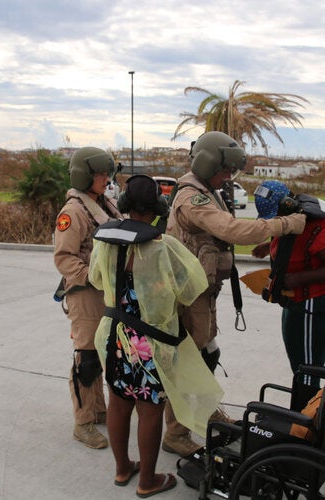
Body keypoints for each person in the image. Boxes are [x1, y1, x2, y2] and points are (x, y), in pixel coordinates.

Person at [163, 131, 307, 456]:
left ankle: (207, 410)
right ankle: (175, 433)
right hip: (188, 297)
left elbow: (225, 230)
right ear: (209, 162)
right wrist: (284, 224)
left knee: (206, 356)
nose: (229, 177)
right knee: (188, 363)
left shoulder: (207, 190)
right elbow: (230, 229)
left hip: (203, 291)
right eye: (226, 169)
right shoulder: (192, 196)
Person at [89, 174, 223, 497]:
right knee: (150, 409)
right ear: (158, 207)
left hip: (113, 338)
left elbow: (95, 279)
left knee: (119, 404)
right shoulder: (165, 247)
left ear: (123, 205)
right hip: (150, 344)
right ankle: (147, 481)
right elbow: (192, 288)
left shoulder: (105, 242)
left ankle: (123, 469)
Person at [251, 180, 325, 404]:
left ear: (288, 205)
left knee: (308, 371)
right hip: (297, 303)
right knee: (299, 365)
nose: (275, 221)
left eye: (276, 214)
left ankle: (305, 426)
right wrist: (267, 247)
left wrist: (298, 279)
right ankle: (301, 415)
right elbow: (290, 243)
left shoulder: (316, 228)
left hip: (316, 307)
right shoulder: (289, 222)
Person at [53, 146, 122, 450]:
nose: (106, 178)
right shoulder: (73, 211)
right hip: (86, 294)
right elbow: (64, 258)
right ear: (84, 175)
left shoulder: (103, 203)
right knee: (87, 359)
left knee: (103, 352)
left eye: (108, 173)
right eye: (99, 174)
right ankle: (83, 422)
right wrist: (92, 275)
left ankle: (97, 410)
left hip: (106, 291)